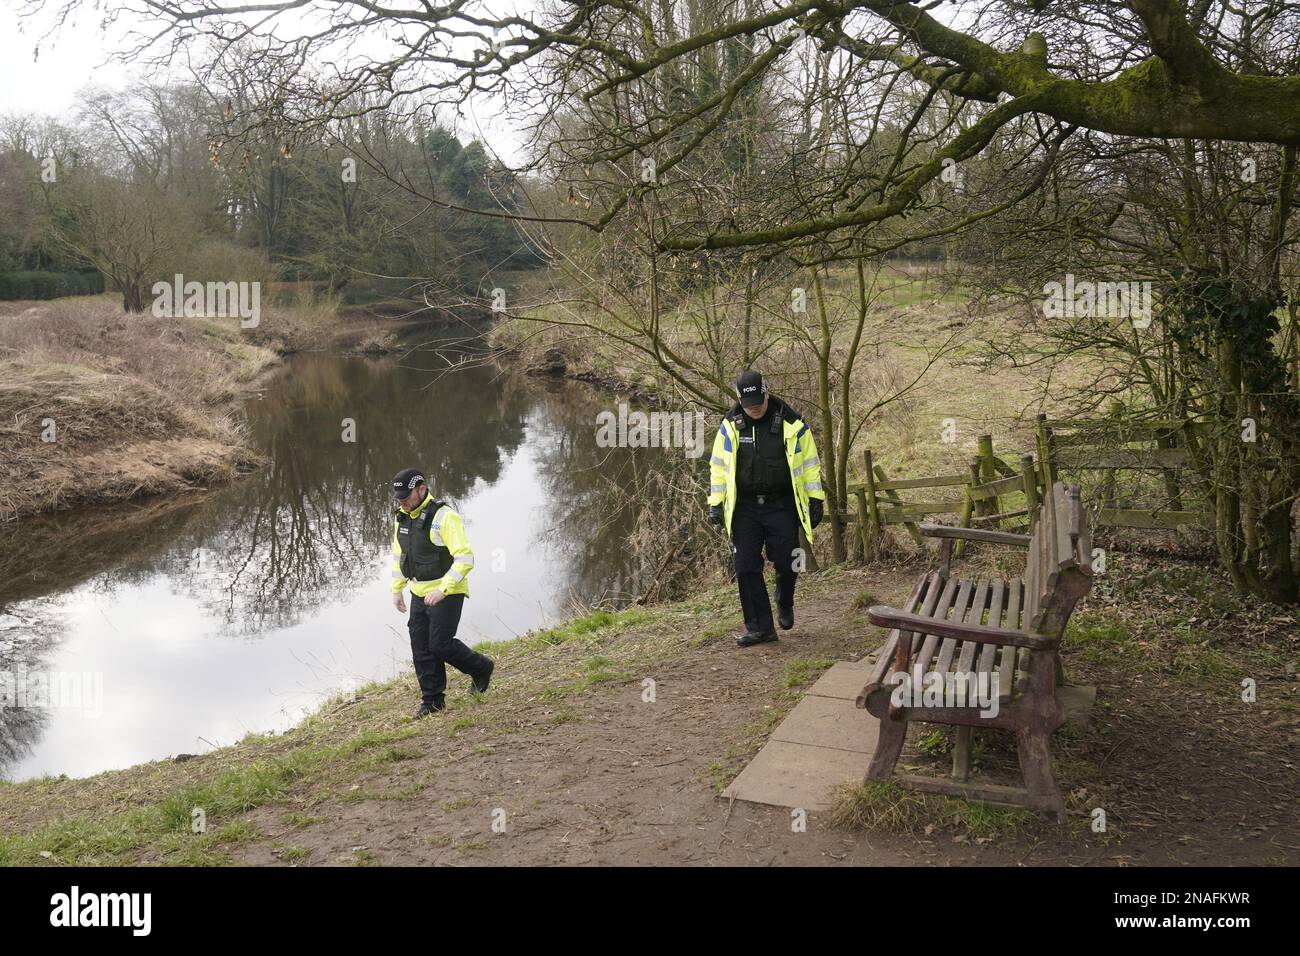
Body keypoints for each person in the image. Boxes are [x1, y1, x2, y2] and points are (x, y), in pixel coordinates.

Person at [707, 371, 825, 647]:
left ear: (767, 392)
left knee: (786, 559)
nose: (755, 407)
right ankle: (761, 628)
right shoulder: (729, 427)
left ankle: (784, 599)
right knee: (746, 565)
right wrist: (715, 503)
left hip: (781, 503)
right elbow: (719, 469)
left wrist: (815, 499)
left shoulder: (792, 424)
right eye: (749, 403)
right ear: (739, 400)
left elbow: (810, 465)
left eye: (759, 401)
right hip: (744, 506)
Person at [390, 467, 494, 717]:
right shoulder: (401, 518)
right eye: (399, 498)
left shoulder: (445, 517)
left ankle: (481, 667)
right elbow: (399, 556)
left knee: (440, 645)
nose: (403, 502)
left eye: (407, 496)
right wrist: (397, 590)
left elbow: (465, 558)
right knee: (421, 648)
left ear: (422, 489)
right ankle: (433, 701)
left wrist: (443, 590)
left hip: (448, 591)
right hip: (418, 592)